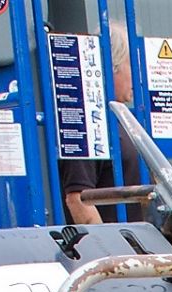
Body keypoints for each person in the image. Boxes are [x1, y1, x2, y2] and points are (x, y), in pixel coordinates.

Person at [58, 18, 136, 225]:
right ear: (113, 67)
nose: (137, 76)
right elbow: (78, 199)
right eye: (131, 65)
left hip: (139, 249)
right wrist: (112, 254)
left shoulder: (124, 120)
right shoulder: (87, 124)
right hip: (119, 252)